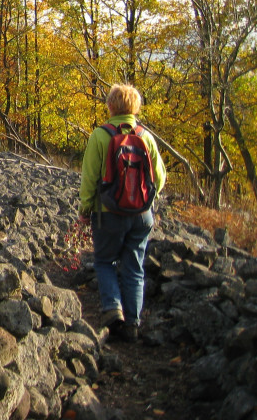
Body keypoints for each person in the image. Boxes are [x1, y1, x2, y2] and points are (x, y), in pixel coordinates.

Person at [78, 83, 167, 342]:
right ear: (135, 107)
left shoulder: (100, 135)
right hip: (141, 215)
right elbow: (159, 178)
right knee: (135, 267)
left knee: (105, 261)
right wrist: (147, 200)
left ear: (111, 106)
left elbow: (90, 178)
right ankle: (133, 323)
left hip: (108, 213)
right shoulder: (145, 136)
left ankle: (112, 309)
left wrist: (85, 210)